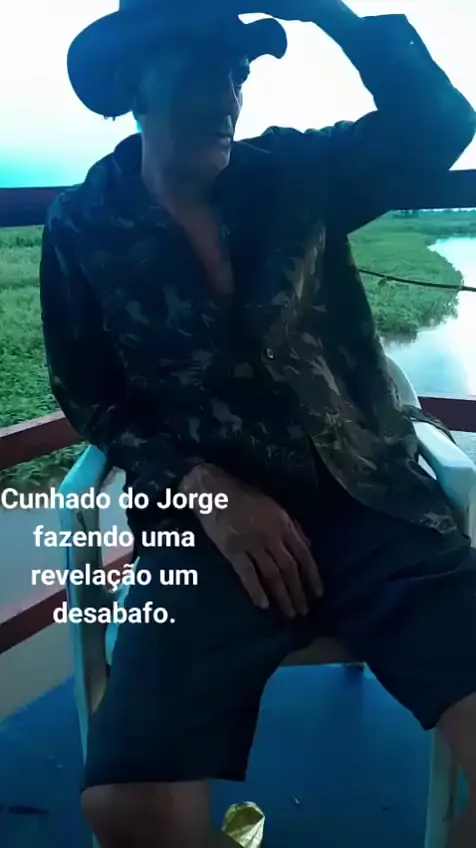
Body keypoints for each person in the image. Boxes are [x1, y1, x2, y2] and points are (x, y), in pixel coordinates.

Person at [40, 0, 476, 845]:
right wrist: (201, 486)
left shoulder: (298, 172)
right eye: (199, 72)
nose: (227, 98)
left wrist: (332, 16)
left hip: (371, 500)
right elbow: (90, 393)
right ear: (134, 84)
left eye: (237, 73)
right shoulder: (82, 224)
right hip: (208, 534)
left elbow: (439, 126)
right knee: (127, 806)